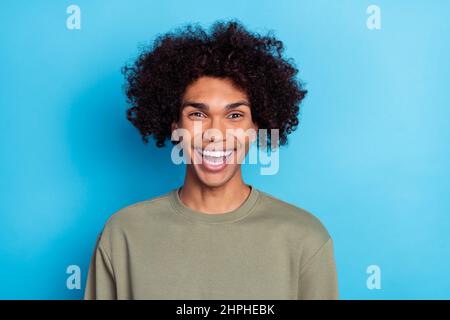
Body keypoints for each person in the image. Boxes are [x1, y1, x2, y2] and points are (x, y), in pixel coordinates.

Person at [84, 19, 338, 300]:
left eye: (235, 115)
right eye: (197, 114)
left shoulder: (305, 238)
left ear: (256, 128)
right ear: (175, 127)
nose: (215, 134)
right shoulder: (123, 234)